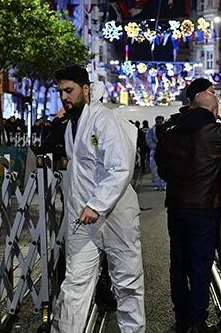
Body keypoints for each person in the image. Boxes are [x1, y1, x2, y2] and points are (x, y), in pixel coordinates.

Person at [52, 65, 144, 332]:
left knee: (127, 284)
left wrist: (97, 204)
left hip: (115, 215)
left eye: (69, 90)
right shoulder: (73, 124)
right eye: (61, 92)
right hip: (84, 219)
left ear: (86, 89)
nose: (64, 97)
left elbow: (121, 167)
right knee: (74, 284)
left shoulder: (105, 119)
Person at [156, 92, 221, 333]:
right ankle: (197, 321)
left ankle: (181, 319)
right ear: (213, 111)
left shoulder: (171, 132)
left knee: (178, 266)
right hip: (204, 208)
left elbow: (161, 166)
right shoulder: (217, 132)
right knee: (201, 265)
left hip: (177, 207)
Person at [156, 78, 215, 143]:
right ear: (199, 96)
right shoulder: (215, 131)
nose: (215, 98)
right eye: (211, 94)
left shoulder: (171, 125)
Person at [146, 116, 166, 191]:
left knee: (164, 168)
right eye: (157, 122)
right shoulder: (151, 131)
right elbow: (148, 140)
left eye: (160, 122)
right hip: (155, 151)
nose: (158, 123)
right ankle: (157, 184)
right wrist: (156, 147)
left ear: (162, 121)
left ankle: (164, 184)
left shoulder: (166, 130)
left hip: (164, 152)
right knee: (154, 169)